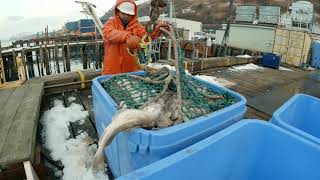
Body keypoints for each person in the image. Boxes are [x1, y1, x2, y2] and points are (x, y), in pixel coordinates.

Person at [102, 0, 169, 75]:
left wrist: (157, 31)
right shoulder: (110, 23)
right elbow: (109, 33)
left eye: (129, 14)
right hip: (111, 70)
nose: (126, 16)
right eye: (124, 13)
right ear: (117, 11)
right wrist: (127, 36)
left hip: (131, 71)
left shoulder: (137, 26)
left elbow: (146, 38)